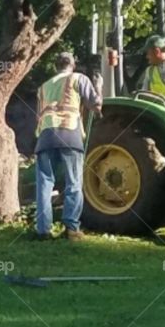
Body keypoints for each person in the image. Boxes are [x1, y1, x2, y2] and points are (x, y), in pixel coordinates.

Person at [34, 51, 102, 240]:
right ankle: (71, 228)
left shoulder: (43, 87)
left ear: (56, 66)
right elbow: (96, 106)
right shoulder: (79, 78)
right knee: (73, 183)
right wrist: (99, 87)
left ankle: (43, 230)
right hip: (69, 134)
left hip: (46, 135)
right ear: (73, 64)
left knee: (45, 184)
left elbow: (37, 115)